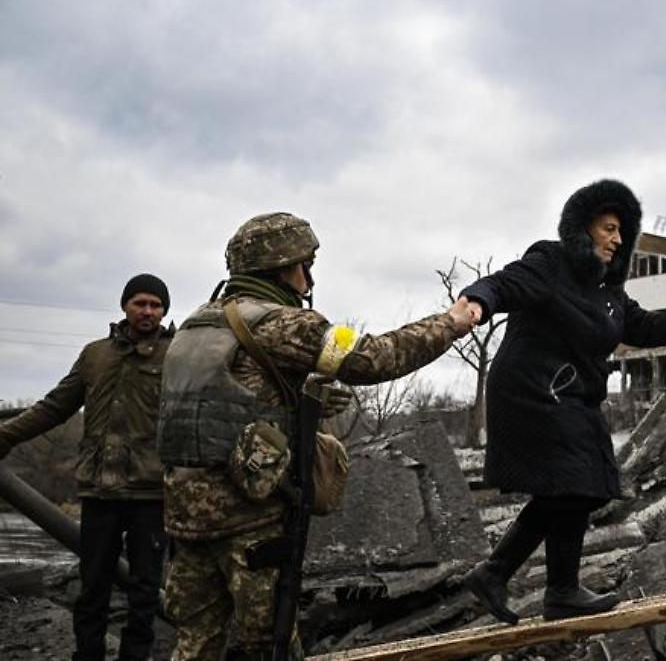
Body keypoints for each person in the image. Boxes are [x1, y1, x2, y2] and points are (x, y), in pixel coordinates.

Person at [158, 212, 475, 660]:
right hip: (251, 521)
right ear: (283, 266)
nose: (308, 276)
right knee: (268, 644)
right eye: (305, 264)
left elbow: (223, 403)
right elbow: (373, 358)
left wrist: (303, 402)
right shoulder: (283, 324)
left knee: (194, 643)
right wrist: (449, 322)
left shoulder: (196, 324)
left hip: (184, 517)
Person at [459, 179, 666, 623]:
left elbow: (646, 327)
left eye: (622, 233)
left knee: (580, 485)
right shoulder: (551, 262)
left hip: (569, 396)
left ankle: (515, 578)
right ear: (583, 227)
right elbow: (506, 283)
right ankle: (550, 587)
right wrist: (478, 302)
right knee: (576, 479)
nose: (617, 240)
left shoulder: (607, 293)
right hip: (530, 392)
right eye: (609, 228)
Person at [0, 274, 173, 661]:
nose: (147, 311)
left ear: (164, 311)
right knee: (92, 586)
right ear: (125, 305)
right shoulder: (95, 355)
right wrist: (6, 436)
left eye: (156, 305)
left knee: (144, 591)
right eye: (140, 303)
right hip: (99, 490)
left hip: (152, 493)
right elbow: (54, 406)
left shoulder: (176, 356)